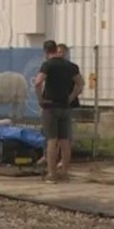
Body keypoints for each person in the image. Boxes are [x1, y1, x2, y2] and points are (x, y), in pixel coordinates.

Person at [34, 40, 84, 183]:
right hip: (65, 106)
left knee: (51, 140)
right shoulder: (71, 66)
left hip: (50, 106)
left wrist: (40, 99)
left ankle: (52, 174)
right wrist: (70, 97)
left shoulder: (48, 65)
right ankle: (65, 173)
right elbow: (80, 84)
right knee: (65, 141)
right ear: (57, 49)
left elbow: (38, 82)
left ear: (45, 52)